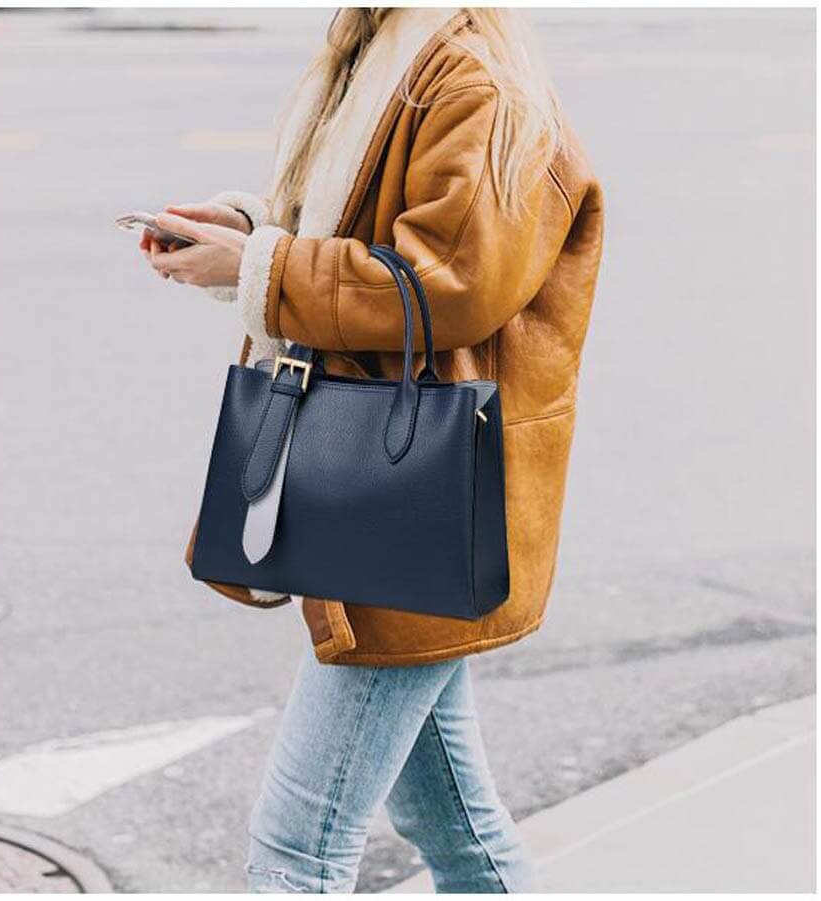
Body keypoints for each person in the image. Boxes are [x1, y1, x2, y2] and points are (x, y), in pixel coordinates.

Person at [139, 7, 603, 893]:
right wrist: (247, 230)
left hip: (423, 503)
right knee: (449, 826)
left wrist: (259, 270)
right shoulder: (379, 47)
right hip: (392, 506)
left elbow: (445, 287)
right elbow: (363, 222)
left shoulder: (474, 83)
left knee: (296, 848)